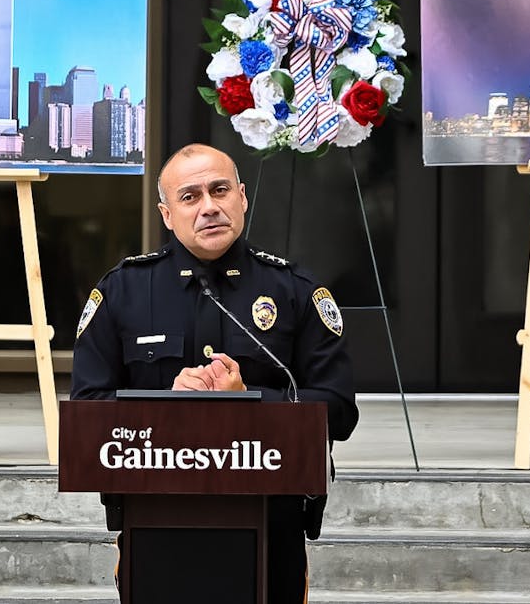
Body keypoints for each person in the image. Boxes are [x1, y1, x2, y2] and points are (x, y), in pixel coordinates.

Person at [71, 143, 359, 603]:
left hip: (272, 528)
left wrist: (251, 401)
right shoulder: (122, 292)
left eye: (220, 190)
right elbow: (86, 414)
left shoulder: (295, 291)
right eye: (190, 197)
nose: (209, 207)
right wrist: (165, 400)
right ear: (167, 214)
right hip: (157, 528)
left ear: (242, 197)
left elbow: (340, 410)